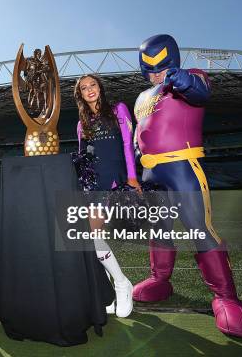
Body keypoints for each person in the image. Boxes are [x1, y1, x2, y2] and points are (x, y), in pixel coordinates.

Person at [132, 34, 242, 338]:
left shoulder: (192, 78)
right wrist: (136, 152)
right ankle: (159, 279)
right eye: (150, 69)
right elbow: (140, 130)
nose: (156, 73)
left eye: (161, 67)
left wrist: (182, 79)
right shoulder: (141, 98)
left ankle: (226, 297)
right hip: (150, 174)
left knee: (199, 228)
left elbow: (199, 93)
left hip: (181, 166)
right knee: (158, 229)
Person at [74, 74, 139, 318]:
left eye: (92, 85)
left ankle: (122, 284)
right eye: (84, 88)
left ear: (100, 87)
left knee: (94, 237)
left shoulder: (118, 109)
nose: (89, 90)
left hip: (115, 179)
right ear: (79, 94)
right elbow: (83, 159)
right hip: (92, 185)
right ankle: (111, 291)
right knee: (93, 238)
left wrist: (132, 177)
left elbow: (127, 145)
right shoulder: (81, 123)